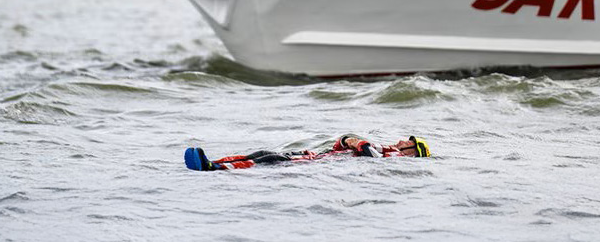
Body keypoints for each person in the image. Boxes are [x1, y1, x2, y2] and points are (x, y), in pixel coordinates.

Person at [184, 134, 430, 171]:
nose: (401, 140)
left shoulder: (394, 156)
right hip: (316, 157)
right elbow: (341, 142)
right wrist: (349, 140)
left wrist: (359, 143)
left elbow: (368, 156)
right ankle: (211, 163)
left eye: (407, 142)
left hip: (317, 167)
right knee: (262, 152)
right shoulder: (385, 148)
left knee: (271, 160)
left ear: (412, 151)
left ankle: (215, 169)